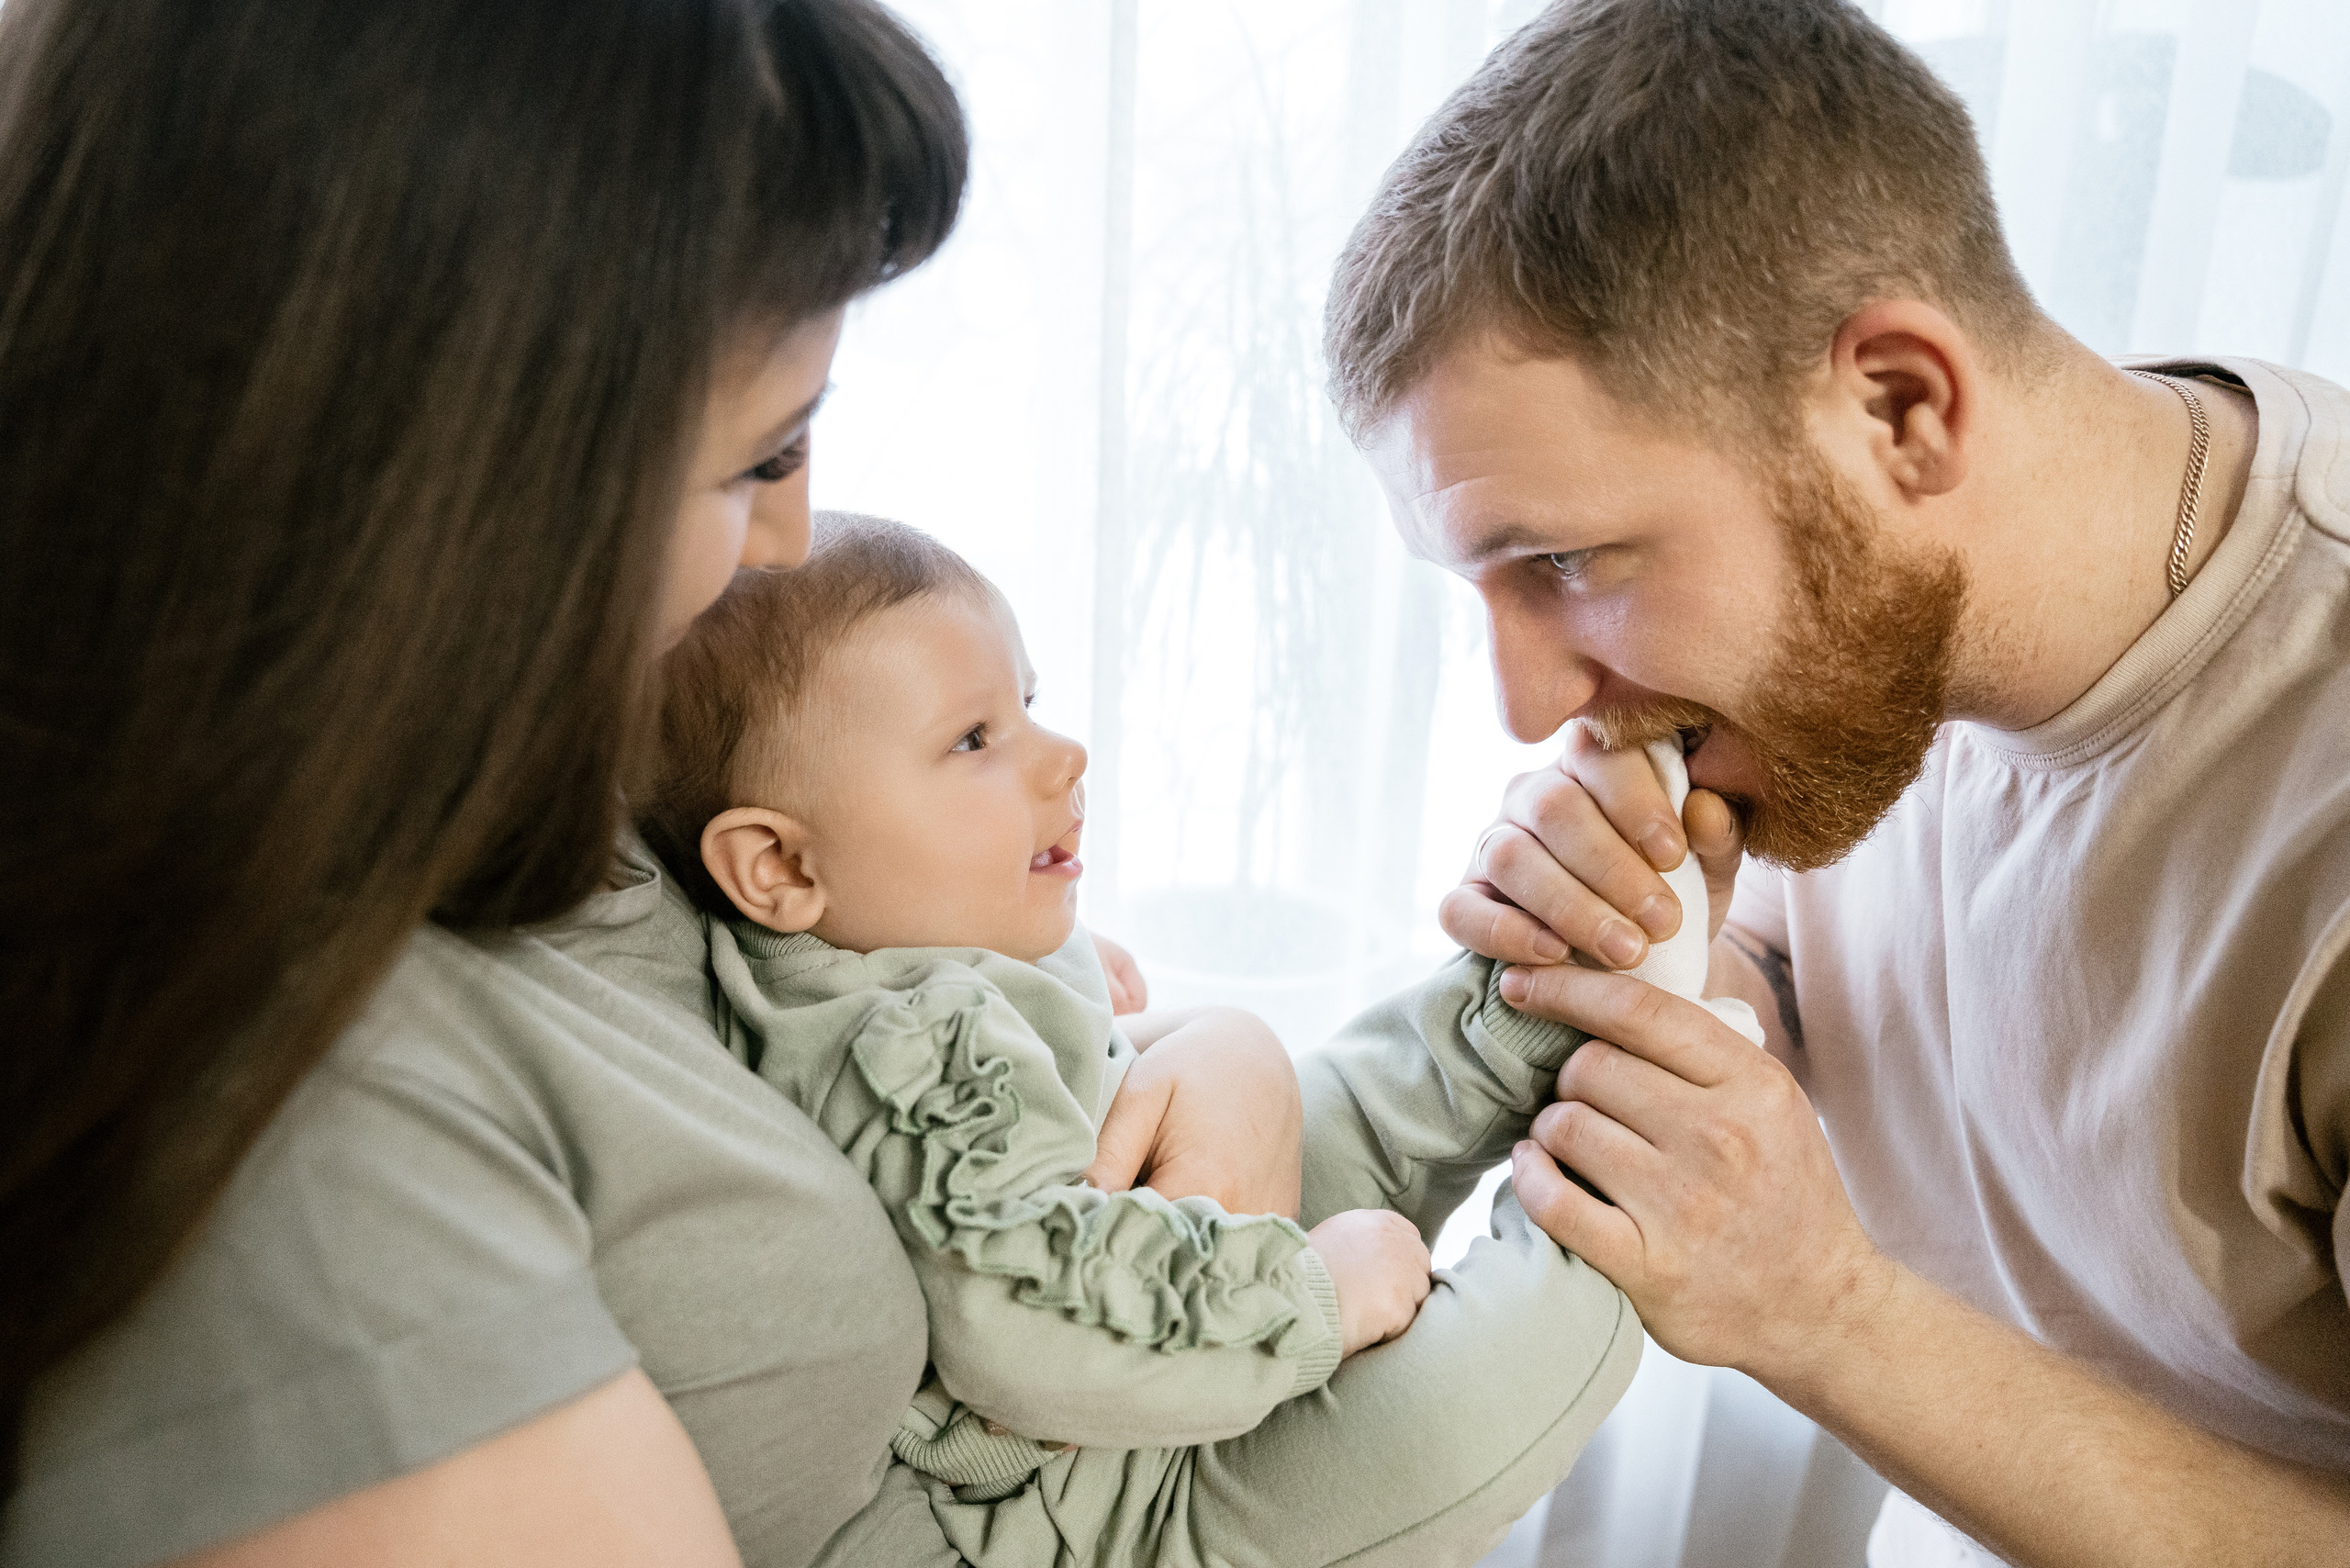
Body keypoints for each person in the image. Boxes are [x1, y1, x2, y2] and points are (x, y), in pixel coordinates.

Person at [1323, 0, 2350, 1563]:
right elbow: (1837, 995)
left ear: (1901, 406)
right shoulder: (1889, 608)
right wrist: (1671, 954)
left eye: (1568, 563)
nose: (1530, 701)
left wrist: (1822, 1308)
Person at [621, 512, 1641, 1565]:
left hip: (1170, 1308)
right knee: (1480, 1403)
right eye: (973, 739)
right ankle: (1625, 1165)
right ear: (781, 869)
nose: (1063, 756)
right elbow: (1024, 1300)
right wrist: (1312, 1298)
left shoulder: (893, 943)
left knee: (1363, 1096)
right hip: (1114, 1497)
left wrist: (1057, 976)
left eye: (1026, 705)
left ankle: (1540, 995)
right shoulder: (904, 1050)